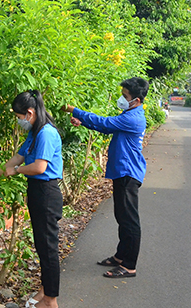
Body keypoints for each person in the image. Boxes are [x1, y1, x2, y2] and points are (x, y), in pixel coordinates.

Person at [64, 76, 149, 279]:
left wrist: (74, 110)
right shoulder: (129, 113)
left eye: (125, 96)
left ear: (136, 100)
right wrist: (82, 121)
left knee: (129, 221)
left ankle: (129, 266)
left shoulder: (132, 117)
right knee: (122, 217)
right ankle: (121, 256)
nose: (121, 99)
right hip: (123, 172)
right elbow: (105, 126)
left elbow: (104, 123)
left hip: (128, 173)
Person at [0, 90, 63, 308]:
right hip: (37, 192)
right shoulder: (35, 132)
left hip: (46, 192)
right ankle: (45, 290)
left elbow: (39, 167)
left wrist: (14, 171)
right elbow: (19, 156)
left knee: (48, 247)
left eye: (18, 116)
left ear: (30, 113)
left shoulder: (46, 133)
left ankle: (51, 301)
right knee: (42, 245)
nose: (18, 121)